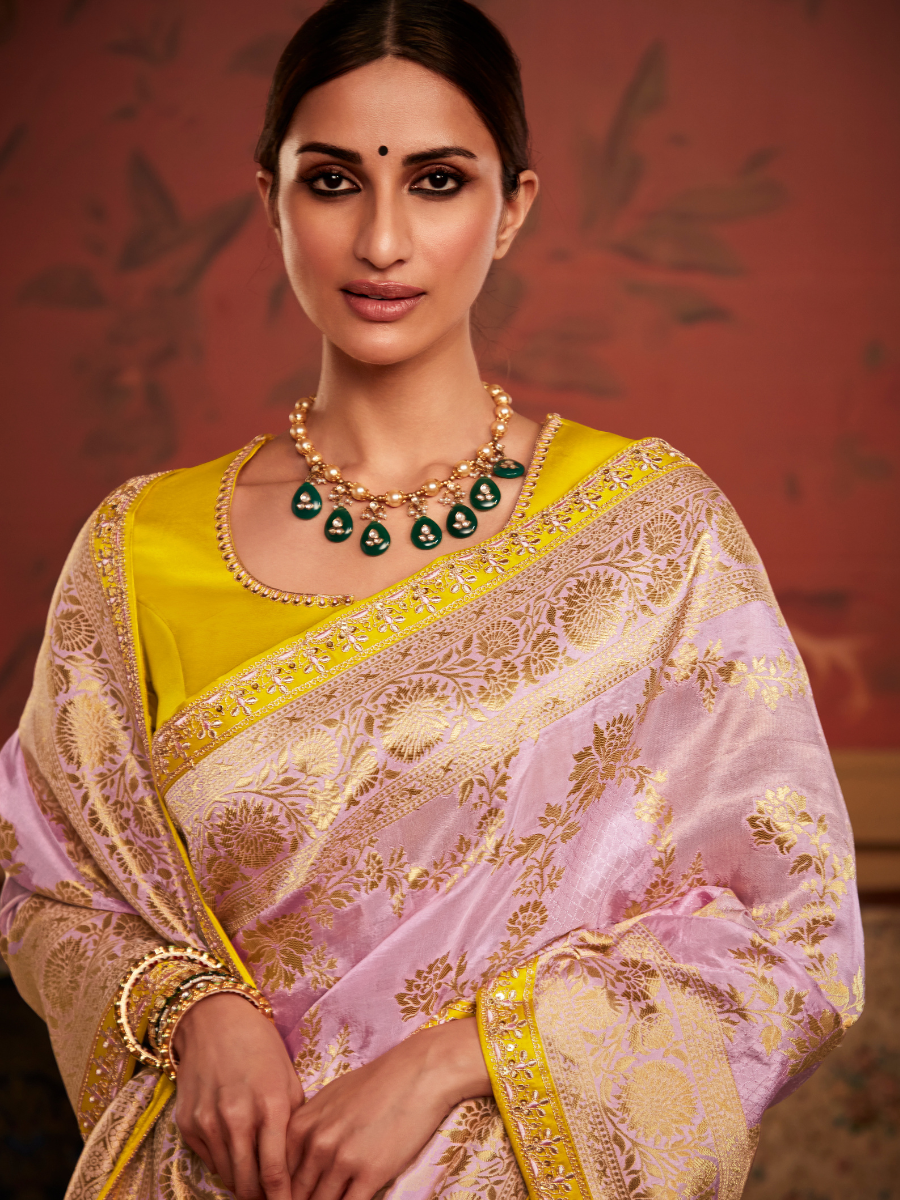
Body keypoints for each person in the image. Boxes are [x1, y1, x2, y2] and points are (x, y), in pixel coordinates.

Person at [0, 2, 863, 1198]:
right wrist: (195, 1009)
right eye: (333, 181)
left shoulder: (655, 533)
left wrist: (460, 1061)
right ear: (270, 200)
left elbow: (790, 924)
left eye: (439, 181)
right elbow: (46, 882)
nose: (383, 239)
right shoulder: (136, 552)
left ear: (512, 209)